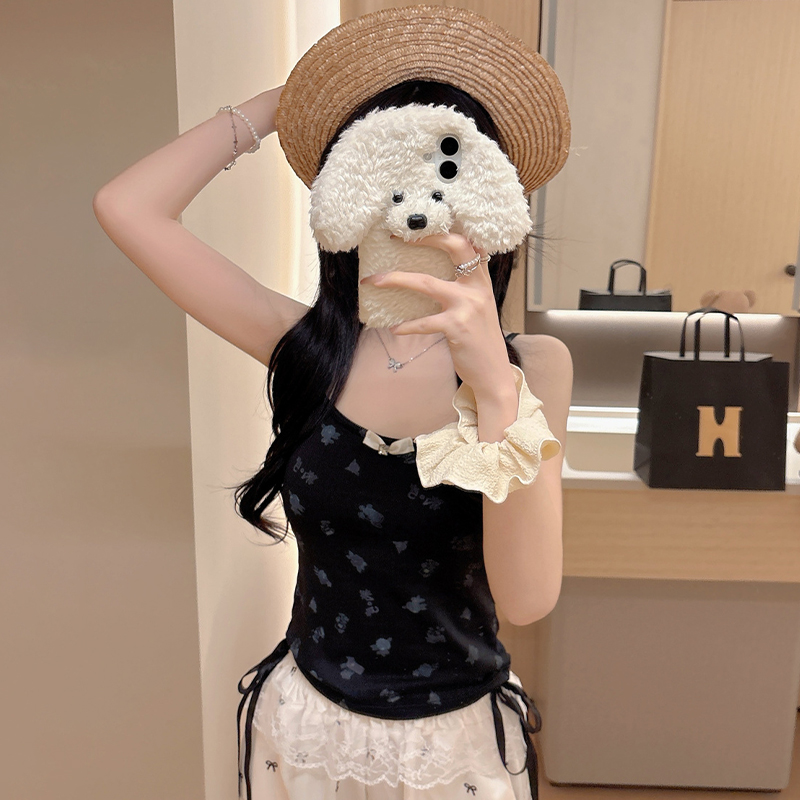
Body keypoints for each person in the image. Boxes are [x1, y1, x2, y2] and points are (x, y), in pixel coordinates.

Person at [93, 7, 573, 800]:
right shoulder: (309, 349)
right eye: (382, 164)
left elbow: (528, 598)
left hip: (454, 751)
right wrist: (293, 103)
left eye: (449, 166)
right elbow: (127, 207)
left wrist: (493, 382)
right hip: (304, 731)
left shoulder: (534, 368)